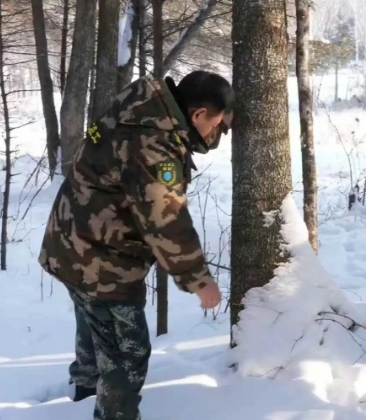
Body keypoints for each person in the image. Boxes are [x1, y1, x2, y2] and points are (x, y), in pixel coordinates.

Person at [39, 70, 233, 420]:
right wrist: (198, 279)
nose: (215, 132)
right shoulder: (154, 145)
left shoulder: (141, 105)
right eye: (216, 124)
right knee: (127, 354)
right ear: (198, 114)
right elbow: (166, 219)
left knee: (95, 323)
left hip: (71, 242)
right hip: (102, 262)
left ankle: (85, 388)